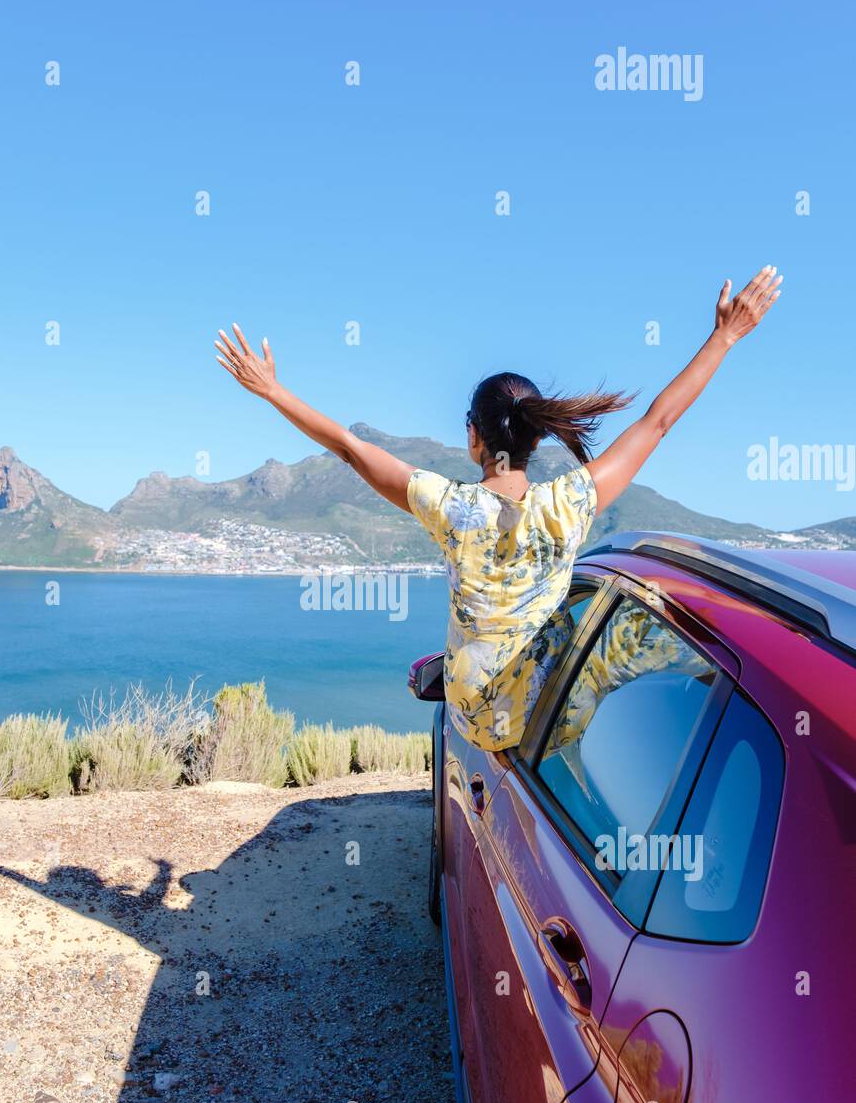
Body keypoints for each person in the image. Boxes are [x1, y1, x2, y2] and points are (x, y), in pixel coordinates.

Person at [215, 267, 782, 752]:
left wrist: (272, 390)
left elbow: (349, 447)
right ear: (537, 439)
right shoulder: (569, 504)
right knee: (640, 617)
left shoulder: (451, 508)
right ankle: (768, 685)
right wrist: (725, 337)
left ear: (473, 438)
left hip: (483, 724)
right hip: (554, 718)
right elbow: (657, 421)